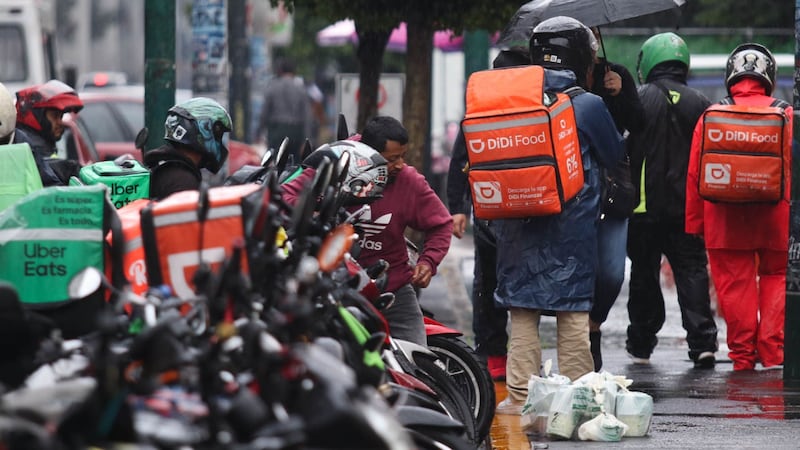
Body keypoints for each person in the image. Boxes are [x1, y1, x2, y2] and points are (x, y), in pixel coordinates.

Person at [492, 16, 624, 414]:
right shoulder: (587, 104)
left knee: (523, 313)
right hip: (572, 228)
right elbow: (613, 154)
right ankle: (578, 399)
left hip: (517, 222)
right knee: (572, 316)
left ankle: (519, 398)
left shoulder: (512, 98)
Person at [283, 117, 453, 346]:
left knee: (416, 358)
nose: (401, 165)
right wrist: (316, 213)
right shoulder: (336, 164)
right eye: (392, 159)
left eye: (403, 156)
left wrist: (428, 261)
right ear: (367, 155)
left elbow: (441, 223)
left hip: (392, 287)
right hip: (334, 288)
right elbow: (284, 196)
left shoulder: (409, 181)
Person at [686, 43, 791, 371]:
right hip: (776, 218)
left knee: (735, 287)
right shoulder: (786, 114)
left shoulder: (711, 116)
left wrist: (696, 225)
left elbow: (694, 174)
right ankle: (774, 354)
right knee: (775, 277)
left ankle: (743, 356)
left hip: (724, 220)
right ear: (769, 75)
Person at [625, 32, 719, 369]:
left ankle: (641, 341)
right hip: (687, 209)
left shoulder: (637, 99)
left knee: (643, 273)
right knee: (692, 271)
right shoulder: (702, 104)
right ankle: (703, 343)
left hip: (643, 209)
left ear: (648, 61)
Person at [446, 48, 531, 381]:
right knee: (518, 280)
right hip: (528, 211)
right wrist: (457, 208)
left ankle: (495, 354)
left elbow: (458, 164)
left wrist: (459, 208)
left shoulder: (479, 113)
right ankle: (517, 355)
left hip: (490, 210)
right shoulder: (538, 110)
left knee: (489, 280)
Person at [587, 27, 646, 372]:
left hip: (613, 190)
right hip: (573, 191)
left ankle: (595, 323)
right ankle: (583, 340)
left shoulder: (616, 73)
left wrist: (620, 93)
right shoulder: (555, 79)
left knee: (611, 273)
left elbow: (639, 123)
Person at [143, 97, 232, 200]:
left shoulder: (163, 166)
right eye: (218, 133)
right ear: (202, 128)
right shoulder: (183, 180)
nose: (219, 142)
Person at [13, 79, 84, 186]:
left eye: (61, 116)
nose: (60, 122)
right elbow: (41, 167)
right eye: (55, 116)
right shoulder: (25, 144)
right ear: (37, 116)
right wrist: (66, 168)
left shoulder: (44, 144)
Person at [257, 58, 311, 162]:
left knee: (277, 162)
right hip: (296, 131)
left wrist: (259, 132)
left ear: (280, 71)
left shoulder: (272, 87)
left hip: (277, 131)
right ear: (294, 71)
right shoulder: (301, 89)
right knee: (295, 163)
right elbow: (307, 116)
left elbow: (264, 113)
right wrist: (307, 139)